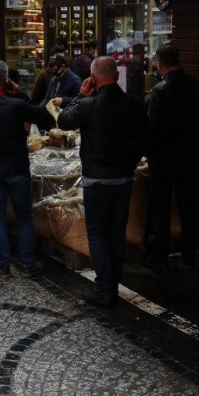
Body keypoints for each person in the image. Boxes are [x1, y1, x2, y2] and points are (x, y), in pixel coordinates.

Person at [55, 56, 149, 306]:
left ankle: (105, 288)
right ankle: (113, 281)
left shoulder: (89, 105)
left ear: (93, 78)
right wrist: (130, 163)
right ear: (117, 76)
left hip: (96, 179)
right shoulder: (135, 104)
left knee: (97, 234)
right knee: (117, 232)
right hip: (123, 178)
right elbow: (143, 140)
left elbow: (63, 120)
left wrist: (81, 95)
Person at [0, 61, 53, 278]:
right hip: (17, 168)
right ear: (6, 79)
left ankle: (3, 264)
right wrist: (20, 95)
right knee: (24, 216)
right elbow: (44, 116)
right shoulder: (16, 105)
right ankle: (27, 262)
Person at [147, 44, 199, 268]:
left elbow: (153, 126)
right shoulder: (195, 85)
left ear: (159, 63)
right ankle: (190, 254)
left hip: (164, 157)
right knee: (188, 205)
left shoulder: (160, 90)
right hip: (189, 154)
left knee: (161, 207)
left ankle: (160, 256)